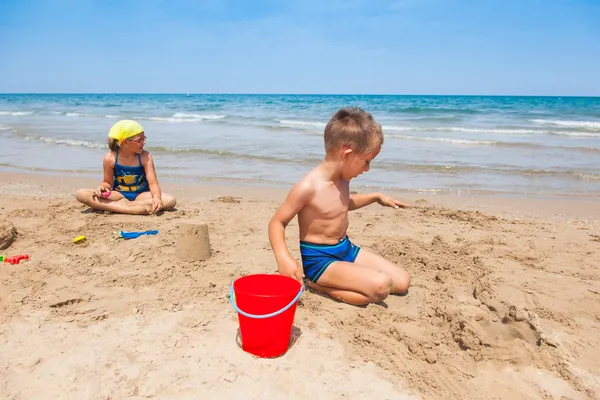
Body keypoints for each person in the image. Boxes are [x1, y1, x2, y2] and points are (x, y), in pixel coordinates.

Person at [268, 107, 410, 306]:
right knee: (380, 287)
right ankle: (317, 284)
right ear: (347, 154)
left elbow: (342, 205)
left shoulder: (342, 178)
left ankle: (342, 278)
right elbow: (277, 222)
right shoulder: (308, 187)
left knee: (402, 282)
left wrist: (375, 197)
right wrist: (283, 257)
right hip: (321, 261)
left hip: (346, 249)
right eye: (366, 161)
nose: (367, 169)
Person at [75, 120, 176, 215]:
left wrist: (157, 198)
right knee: (81, 194)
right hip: (119, 195)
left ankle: (119, 207)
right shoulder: (110, 158)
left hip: (141, 195)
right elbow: (107, 182)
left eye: (144, 138)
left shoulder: (145, 157)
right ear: (125, 143)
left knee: (170, 201)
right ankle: (130, 209)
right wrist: (102, 188)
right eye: (139, 140)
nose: (143, 142)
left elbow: (153, 183)